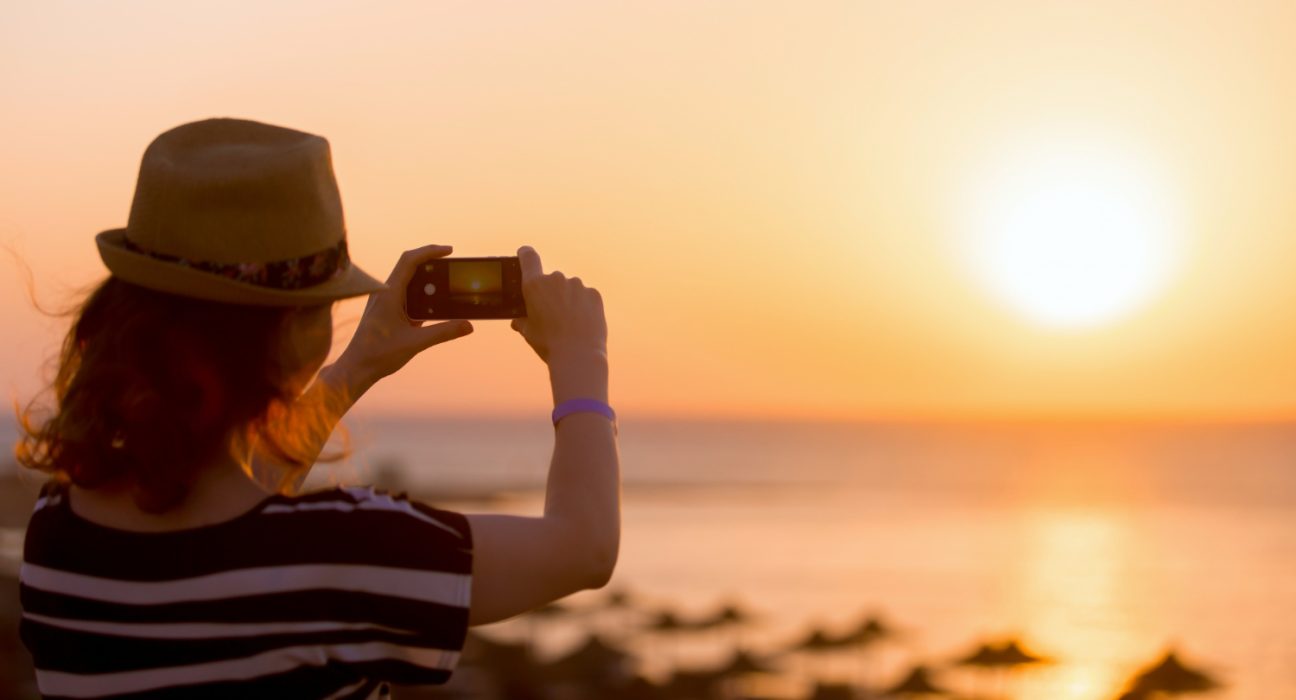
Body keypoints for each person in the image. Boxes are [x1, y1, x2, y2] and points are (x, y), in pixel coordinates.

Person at [14, 117, 620, 699]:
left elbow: (234, 517)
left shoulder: (57, 535)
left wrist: (357, 367)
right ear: (293, 335)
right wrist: (581, 359)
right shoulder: (341, 551)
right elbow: (583, 547)